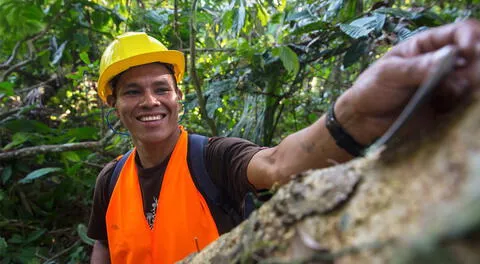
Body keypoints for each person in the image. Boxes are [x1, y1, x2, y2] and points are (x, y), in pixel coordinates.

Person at [87, 20, 480, 263]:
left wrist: (357, 113)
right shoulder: (110, 180)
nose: (151, 101)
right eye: (133, 92)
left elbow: (278, 164)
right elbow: (103, 249)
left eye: (161, 88)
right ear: (113, 103)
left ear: (178, 97)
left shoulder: (212, 157)